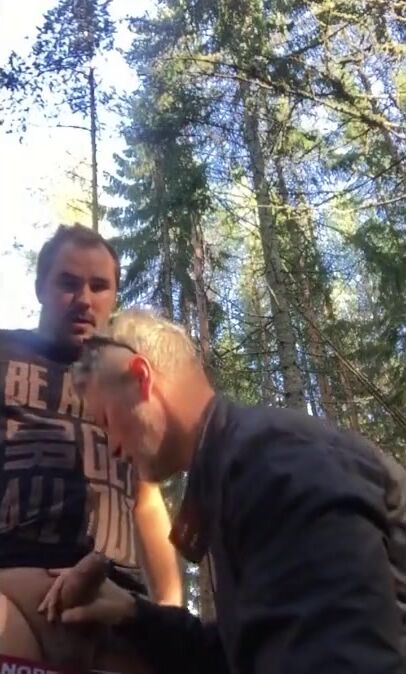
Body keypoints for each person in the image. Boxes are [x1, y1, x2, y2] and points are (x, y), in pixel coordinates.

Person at [41, 307, 406, 674]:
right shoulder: (237, 472)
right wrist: (134, 614)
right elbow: (248, 652)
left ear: (141, 377)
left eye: (106, 421)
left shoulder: (277, 464)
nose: (113, 448)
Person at [0, 226, 181, 671]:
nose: (84, 299)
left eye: (99, 286)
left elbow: (146, 499)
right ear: (40, 287)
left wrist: (171, 608)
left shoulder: (129, 378)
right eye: (68, 282)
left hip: (118, 608)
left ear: (114, 295)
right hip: (12, 600)